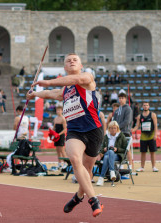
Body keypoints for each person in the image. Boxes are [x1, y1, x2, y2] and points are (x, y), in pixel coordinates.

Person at [26, 53, 104, 217]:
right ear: (65, 67)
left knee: (88, 171)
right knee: (75, 159)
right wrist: (35, 94)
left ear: (81, 66)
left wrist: (47, 81)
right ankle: (94, 200)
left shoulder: (87, 77)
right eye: (68, 60)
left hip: (94, 130)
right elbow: (50, 94)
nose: (72, 61)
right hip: (75, 131)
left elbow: (75, 80)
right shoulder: (65, 90)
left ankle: (78, 196)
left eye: (75, 60)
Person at [96, 121, 127, 186]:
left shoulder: (121, 136)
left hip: (118, 155)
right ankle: (112, 172)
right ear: (109, 129)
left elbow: (125, 149)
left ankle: (101, 178)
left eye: (114, 128)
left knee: (110, 153)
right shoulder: (106, 136)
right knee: (108, 155)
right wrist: (104, 149)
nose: (113, 130)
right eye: (111, 128)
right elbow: (102, 147)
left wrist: (117, 149)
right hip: (107, 154)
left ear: (117, 128)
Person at [131, 101, 159, 172]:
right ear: (142, 107)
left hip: (151, 136)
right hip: (143, 137)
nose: (145, 106)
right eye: (144, 105)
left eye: (147, 105)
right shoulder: (140, 116)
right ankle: (142, 167)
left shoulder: (153, 115)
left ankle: (154, 167)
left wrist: (155, 134)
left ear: (149, 106)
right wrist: (132, 130)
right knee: (143, 152)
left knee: (152, 152)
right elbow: (137, 126)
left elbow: (155, 125)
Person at [113, 92, 133, 172]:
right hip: (117, 133)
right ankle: (120, 167)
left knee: (127, 150)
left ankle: (130, 167)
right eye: (120, 98)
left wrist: (117, 128)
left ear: (125, 99)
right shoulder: (117, 110)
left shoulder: (128, 109)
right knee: (117, 149)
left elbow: (127, 121)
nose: (121, 100)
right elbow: (114, 121)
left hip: (125, 132)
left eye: (122, 98)